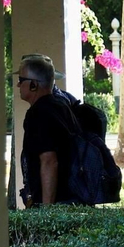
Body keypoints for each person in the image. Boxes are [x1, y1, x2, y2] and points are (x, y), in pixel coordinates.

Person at [15, 53, 80, 206]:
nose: (18, 85)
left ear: (33, 84)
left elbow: (49, 161)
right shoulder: (60, 105)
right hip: (71, 199)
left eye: (21, 80)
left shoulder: (39, 113)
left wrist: (47, 211)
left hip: (58, 203)